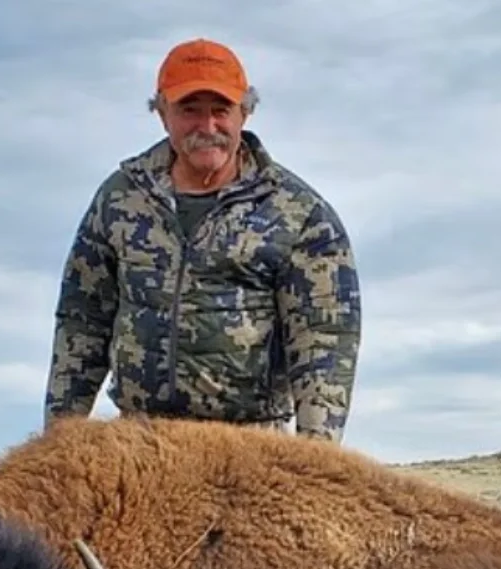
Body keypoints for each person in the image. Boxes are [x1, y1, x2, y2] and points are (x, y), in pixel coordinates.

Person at [41, 38, 362, 442]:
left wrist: (317, 455)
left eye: (220, 110)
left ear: (245, 112)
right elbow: (82, 319)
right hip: (141, 442)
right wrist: (56, 441)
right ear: (162, 113)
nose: (207, 127)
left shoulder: (299, 213)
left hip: (251, 445)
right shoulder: (121, 198)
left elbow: (324, 338)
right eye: (189, 110)